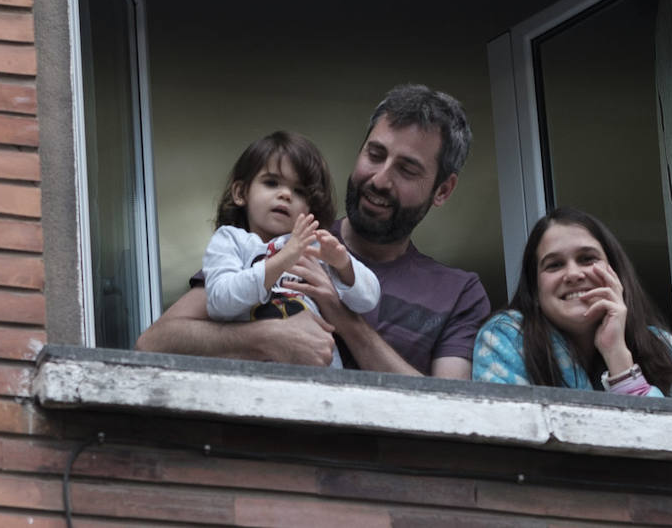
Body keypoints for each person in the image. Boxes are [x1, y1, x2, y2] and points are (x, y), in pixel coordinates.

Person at [135, 84, 490, 378]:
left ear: (443, 190)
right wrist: (268, 336)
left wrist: (344, 319)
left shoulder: (459, 293)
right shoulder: (283, 244)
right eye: (375, 154)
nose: (380, 179)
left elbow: (451, 407)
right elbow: (155, 342)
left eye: (407, 170)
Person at [201, 131, 380, 368]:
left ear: (310, 208)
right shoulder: (231, 241)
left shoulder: (313, 247)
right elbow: (220, 302)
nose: (285, 194)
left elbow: (369, 299)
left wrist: (343, 264)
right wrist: (283, 259)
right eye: (271, 182)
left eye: (300, 191)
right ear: (241, 193)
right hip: (252, 381)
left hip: (320, 385)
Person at [473, 208, 672, 399]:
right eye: (555, 265)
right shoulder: (506, 337)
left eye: (587, 258)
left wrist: (617, 354)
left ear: (616, 273)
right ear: (535, 289)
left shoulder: (660, 347)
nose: (573, 274)